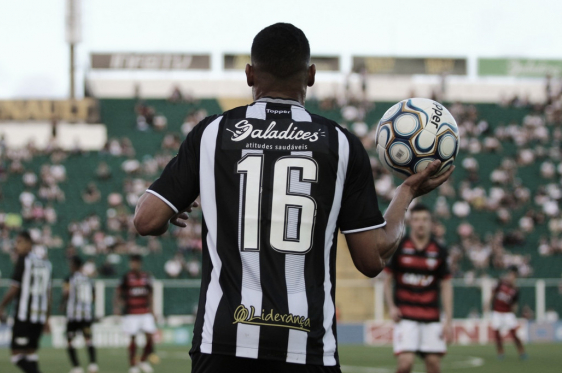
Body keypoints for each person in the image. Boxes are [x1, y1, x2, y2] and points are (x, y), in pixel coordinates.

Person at [133, 23, 453, 373]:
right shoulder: (340, 144)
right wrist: (406, 193)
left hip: (222, 343)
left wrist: (174, 206)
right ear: (311, 75)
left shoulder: (212, 133)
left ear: (249, 74)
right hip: (307, 346)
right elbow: (371, 259)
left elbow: (146, 221)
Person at [384, 204, 453, 373]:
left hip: (431, 316)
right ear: (410, 223)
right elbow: (387, 280)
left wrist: (449, 320)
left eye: (424, 219)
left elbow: (446, 285)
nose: (420, 223)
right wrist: (391, 307)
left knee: (434, 366)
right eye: (416, 220)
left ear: (430, 223)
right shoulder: (400, 247)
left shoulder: (439, 250)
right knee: (405, 364)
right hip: (406, 316)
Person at [0, 231, 52, 373]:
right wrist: (47, 318)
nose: (16, 246)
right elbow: (48, 294)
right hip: (38, 316)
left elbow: (14, 289)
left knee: (16, 355)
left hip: (24, 316)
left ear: (29, 244)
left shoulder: (23, 261)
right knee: (31, 353)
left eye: (20, 242)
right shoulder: (46, 264)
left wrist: (0, 307)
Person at [114, 255, 157, 373]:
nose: (134, 265)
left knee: (150, 337)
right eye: (132, 262)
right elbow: (118, 292)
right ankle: (133, 364)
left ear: (140, 264)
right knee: (133, 338)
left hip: (145, 311)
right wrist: (117, 307)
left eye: (136, 262)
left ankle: (143, 361)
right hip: (131, 313)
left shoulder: (146, 277)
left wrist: (153, 310)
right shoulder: (126, 277)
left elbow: (150, 294)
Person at [62, 256, 99, 373]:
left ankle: (76, 367)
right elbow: (94, 296)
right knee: (88, 339)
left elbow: (66, 293)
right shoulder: (88, 279)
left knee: (69, 341)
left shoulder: (70, 278)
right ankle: (92, 364)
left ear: (74, 266)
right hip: (86, 315)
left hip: (73, 315)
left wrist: (63, 304)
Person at [491, 266, 526, 360]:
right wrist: (488, 303)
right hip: (497, 311)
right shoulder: (501, 283)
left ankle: (521, 351)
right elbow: (493, 293)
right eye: (510, 275)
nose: (511, 277)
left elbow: (514, 304)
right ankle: (500, 352)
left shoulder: (515, 290)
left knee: (514, 333)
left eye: (513, 276)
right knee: (497, 333)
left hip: (507, 313)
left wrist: (514, 312)